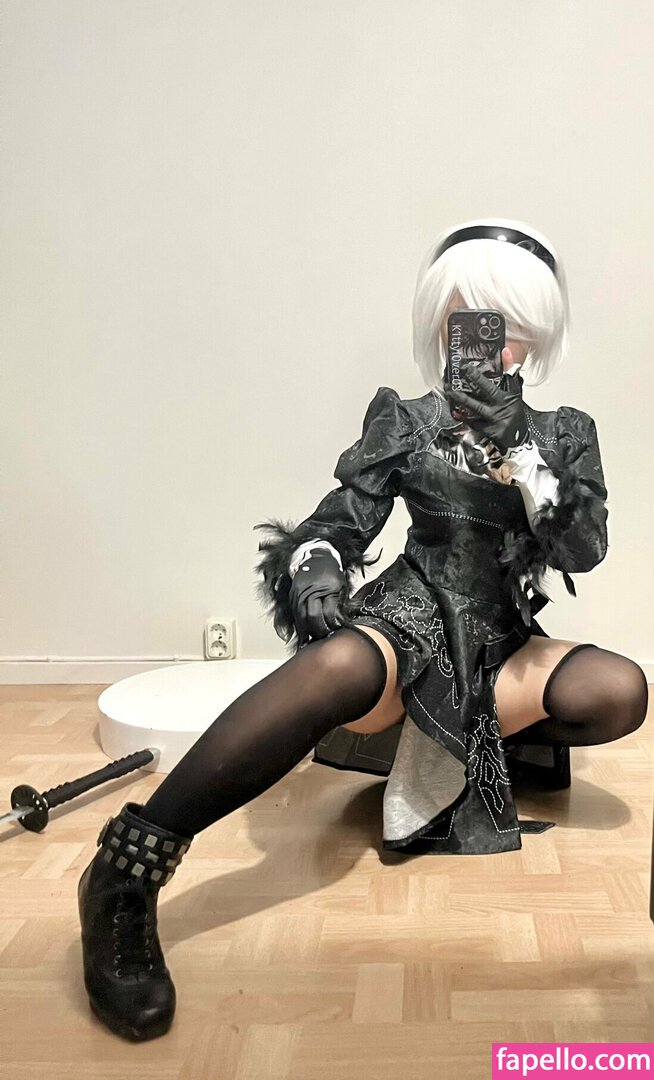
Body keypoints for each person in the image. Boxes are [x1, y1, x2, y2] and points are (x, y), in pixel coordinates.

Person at [77, 218, 648, 1042]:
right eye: (474, 319)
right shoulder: (406, 420)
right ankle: (127, 869)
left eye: (512, 324)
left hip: (499, 639)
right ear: (441, 323)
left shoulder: (564, 434)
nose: (493, 343)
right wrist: (314, 568)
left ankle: (460, 753)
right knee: (337, 666)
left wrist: (521, 459)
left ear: (537, 334)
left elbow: (583, 549)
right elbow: (335, 523)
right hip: (409, 616)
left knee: (620, 690)